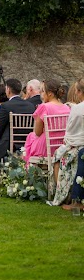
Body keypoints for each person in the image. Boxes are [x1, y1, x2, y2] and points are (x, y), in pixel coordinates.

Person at [48, 78, 84, 206]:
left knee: (58, 157)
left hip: (78, 146)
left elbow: (70, 132)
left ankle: (63, 196)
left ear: (79, 92)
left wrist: (67, 143)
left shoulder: (77, 109)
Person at [23, 79, 70, 164]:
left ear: (50, 94)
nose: (41, 94)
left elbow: (37, 132)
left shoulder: (44, 107)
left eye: (43, 91)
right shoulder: (66, 107)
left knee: (31, 136)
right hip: (61, 146)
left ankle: (28, 169)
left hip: (46, 147)